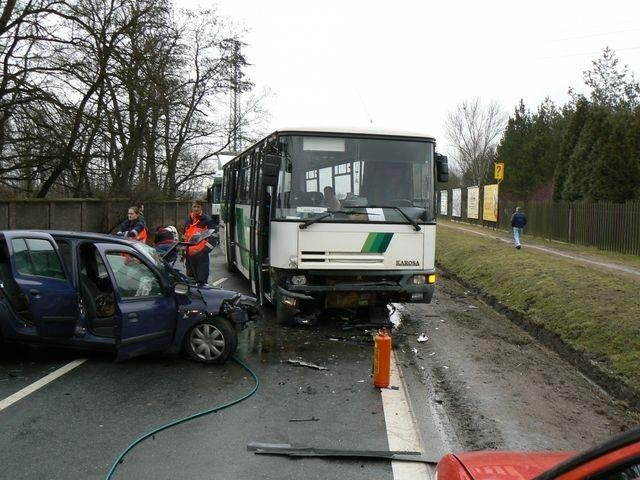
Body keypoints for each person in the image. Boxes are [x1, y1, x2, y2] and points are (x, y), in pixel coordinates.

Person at [183, 201, 216, 285]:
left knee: (202, 281)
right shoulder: (189, 220)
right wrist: (183, 251)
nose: (196, 209)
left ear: (202, 208)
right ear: (192, 208)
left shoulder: (207, 220)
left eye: (198, 207)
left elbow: (213, 239)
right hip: (189, 256)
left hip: (201, 256)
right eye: (194, 207)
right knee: (190, 281)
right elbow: (185, 236)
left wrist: (204, 251)